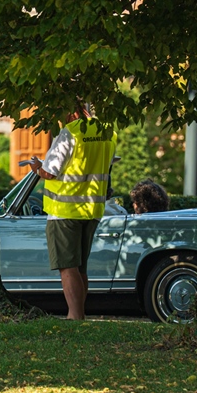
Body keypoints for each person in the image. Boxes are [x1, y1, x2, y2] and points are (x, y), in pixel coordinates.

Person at [28, 102, 117, 321]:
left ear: (71, 110)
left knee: (68, 267)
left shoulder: (70, 133)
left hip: (65, 210)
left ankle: (75, 317)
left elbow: (50, 172)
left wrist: (37, 167)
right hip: (92, 209)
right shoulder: (108, 132)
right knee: (80, 268)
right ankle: (79, 314)